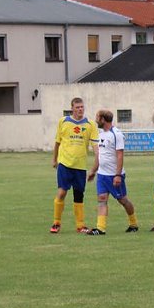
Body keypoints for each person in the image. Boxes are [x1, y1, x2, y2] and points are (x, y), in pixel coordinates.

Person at [50, 97, 99, 234]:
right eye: (77, 107)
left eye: (82, 107)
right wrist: (54, 159)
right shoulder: (63, 122)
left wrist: (97, 157)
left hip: (80, 165)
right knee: (62, 192)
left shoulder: (90, 125)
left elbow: (95, 144)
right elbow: (57, 142)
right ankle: (56, 223)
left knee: (79, 195)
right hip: (65, 163)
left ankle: (80, 225)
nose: (80, 109)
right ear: (72, 108)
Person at [86, 110, 139, 235]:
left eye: (97, 118)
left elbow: (120, 156)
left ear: (103, 119)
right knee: (102, 199)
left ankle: (133, 224)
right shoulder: (101, 134)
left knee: (123, 200)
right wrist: (93, 171)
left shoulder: (116, 134)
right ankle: (100, 228)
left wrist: (118, 175)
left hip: (114, 175)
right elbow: (100, 155)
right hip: (102, 175)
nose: (96, 120)